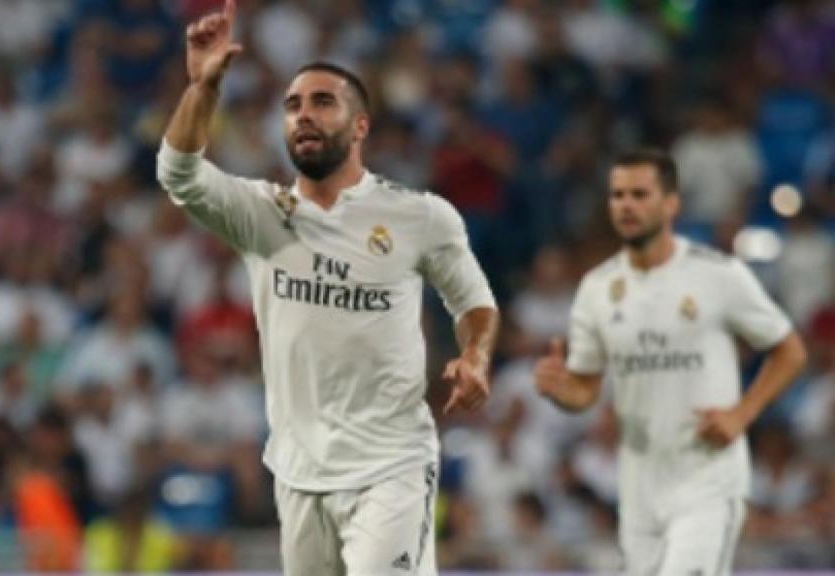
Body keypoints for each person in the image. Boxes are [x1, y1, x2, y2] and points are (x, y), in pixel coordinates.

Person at [154, 2, 499, 574]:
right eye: (293, 106)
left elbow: (473, 301)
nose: (304, 115)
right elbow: (177, 173)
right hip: (298, 471)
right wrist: (202, 88)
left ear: (360, 126)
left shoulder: (419, 216)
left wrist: (476, 355)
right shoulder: (261, 214)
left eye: (322, 102)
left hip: (390, 466)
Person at [533, 149, 807, 575]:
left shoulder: (718, 275)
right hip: (639, 484)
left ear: (671, 203)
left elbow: (790, 350)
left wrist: (742, 414)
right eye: (618, 195)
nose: (626, 205)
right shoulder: (597, 288)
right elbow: (585, 389)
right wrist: (560, 389)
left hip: (706, 477)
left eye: (639, 194)